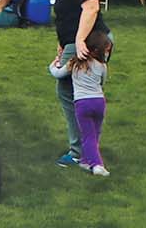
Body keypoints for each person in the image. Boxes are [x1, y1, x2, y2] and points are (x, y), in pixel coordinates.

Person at [43, 0, 113, 169]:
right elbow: (68, 13)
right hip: (75, 42)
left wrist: (79, 40)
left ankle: (79, 152)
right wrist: (62, 43)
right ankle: (86, 148)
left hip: (88, 41)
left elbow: (91, 7)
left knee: (70, 93)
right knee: (79, 93)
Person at [48, 29, 112, 176]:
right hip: (99, 102)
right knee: (95, 134)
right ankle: (85, 161)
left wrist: (54, 64)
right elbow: (102, 83)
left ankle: (96, 165)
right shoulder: (102, 66)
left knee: (87, 135)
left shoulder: (74, 63)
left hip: (82, 104)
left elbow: (57, 74)